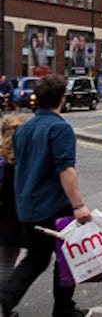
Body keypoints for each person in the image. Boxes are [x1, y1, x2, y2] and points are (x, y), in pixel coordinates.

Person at [0, 74, 92, 317]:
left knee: (37, 258)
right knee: (67, 256)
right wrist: (78, 205)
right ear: (62, 98)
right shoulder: (59, 128)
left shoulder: (23, 129)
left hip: (27, 206)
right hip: (53, 206)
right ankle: (62, 308)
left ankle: (7, 299)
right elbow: (65, 169)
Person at [0, 114, 26, 288]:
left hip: (3, 214)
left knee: (5, 261)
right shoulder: (24, 160)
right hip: (16, 216)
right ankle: (5, 304)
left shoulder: (2, 158)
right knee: (8, 262)